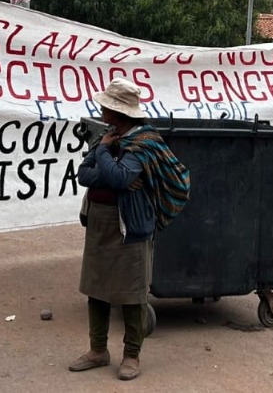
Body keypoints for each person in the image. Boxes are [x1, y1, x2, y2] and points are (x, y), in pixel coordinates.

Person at [70, 77, 187, 382]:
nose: (100, 109)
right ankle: (98, 350)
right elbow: (83, 174)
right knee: (96, 288)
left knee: (133, 294)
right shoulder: (107, 136)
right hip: (100, 221)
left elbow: (121, 179)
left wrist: (105, 159)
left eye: (106, 106)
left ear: (118, 112)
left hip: (130, 225)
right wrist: (108, 165)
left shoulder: (142, 141)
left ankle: (131, 356)